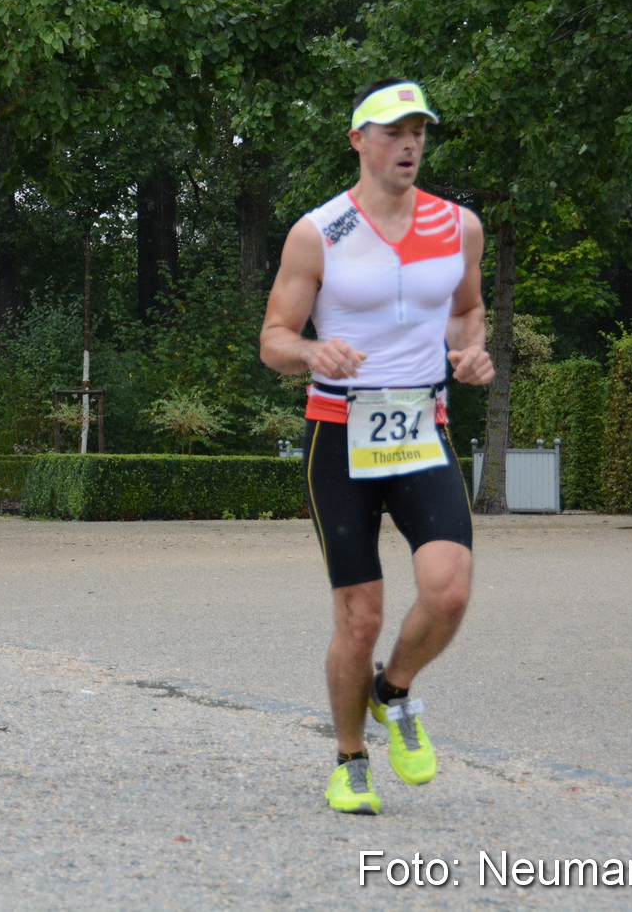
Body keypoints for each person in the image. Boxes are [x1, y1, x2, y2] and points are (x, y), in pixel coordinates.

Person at [258, 79, 495, 816]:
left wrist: (472, 350)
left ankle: (393, 691)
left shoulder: (459, 227)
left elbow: (467, 310)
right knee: (359, 617)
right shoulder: (318, 232)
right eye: (394, 131)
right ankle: (350, 756)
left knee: (449, 587)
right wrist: (312, 352)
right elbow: (272, 339)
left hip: (423, 429)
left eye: (419, 131)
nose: (410, 144)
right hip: (341, 435)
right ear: (358, 139)